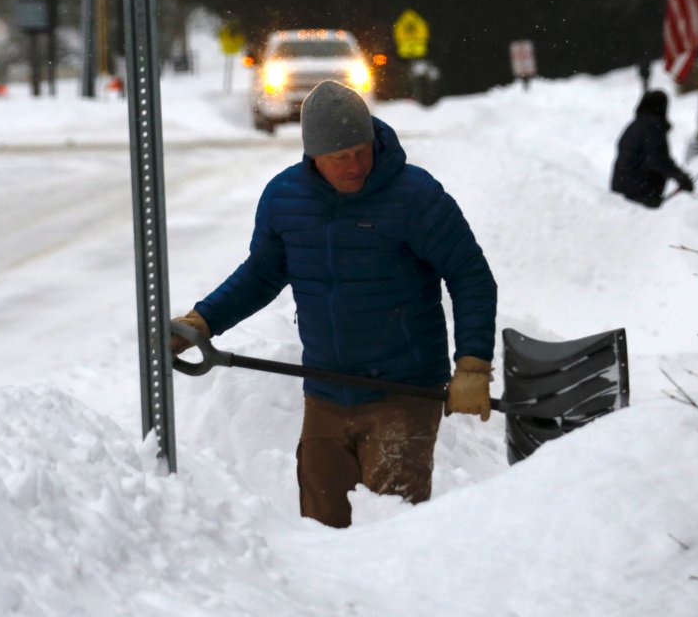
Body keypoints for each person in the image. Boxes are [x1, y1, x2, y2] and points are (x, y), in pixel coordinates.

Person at [171, 80, 497, 528]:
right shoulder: (286, 199)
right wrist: (202, 321)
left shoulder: (414, 196)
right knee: (322, 529)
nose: (355, 164)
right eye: (340, 157)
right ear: (313, 155)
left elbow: (470, 274)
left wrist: (473, 364)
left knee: (394, 530)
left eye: (362, 150)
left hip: (404, 391)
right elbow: (263, 273)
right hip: (325, 389)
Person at [610, 89, 694, 208]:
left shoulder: (634, 126)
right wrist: (680, 177)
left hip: (621, 190)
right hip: (639, 193)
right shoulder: (652, 128)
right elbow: (657, 159)